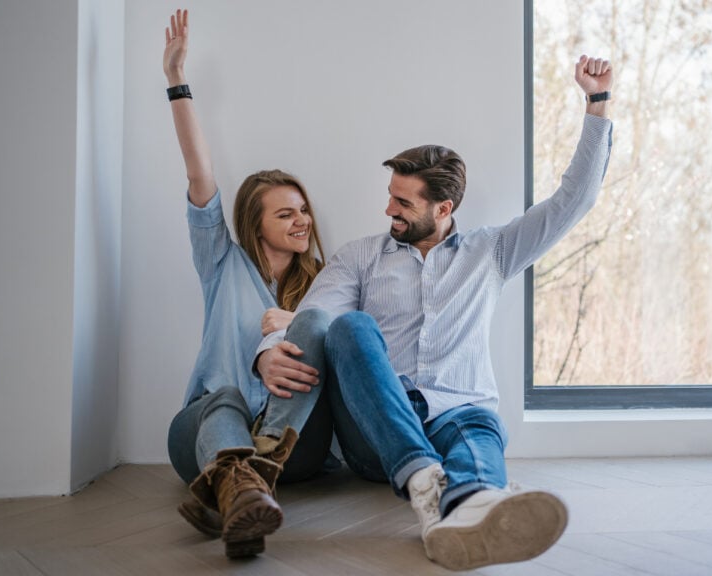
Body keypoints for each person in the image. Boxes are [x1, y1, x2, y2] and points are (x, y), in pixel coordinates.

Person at [254, 55, 614, 570]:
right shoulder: (360, 256)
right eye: (390, 197)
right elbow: (313, 316)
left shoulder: (492, 252)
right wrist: (267, 353)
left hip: (457, 412)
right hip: (376, 427)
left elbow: (572, 201)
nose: (389, 211)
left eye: (403, 202)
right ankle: (433, 479)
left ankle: (466, 507)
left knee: (479, 430)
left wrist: (597, 104)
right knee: (352, 327)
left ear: (443, 209)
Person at [161, 9, 333, 558]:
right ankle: (244, 495)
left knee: (319, 329)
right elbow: (199, 174)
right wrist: (176, 80)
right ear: (252, 223)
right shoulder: (221, 263)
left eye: (302, 210)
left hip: (292, 446)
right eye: (285, 214)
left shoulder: (324, 287)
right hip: (203, 429)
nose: (301, 220)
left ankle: (234, 492)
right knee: (226, 396)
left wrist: (296, 321)